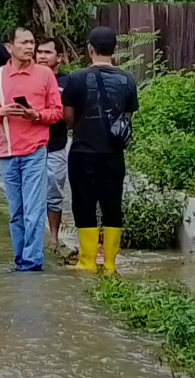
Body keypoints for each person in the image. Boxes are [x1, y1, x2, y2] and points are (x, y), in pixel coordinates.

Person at [0, 27, 63, 272]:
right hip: (7, 152)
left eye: (32, 43)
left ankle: (31, 263)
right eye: (24, 43)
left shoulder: (45, 75)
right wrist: (1, 112)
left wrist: (34, 114)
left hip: (35, 150)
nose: (30, 47)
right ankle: (20, 260)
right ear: (9, 47)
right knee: (16, 211)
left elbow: (56, 112)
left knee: (34, 210)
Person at [62, 27, 139, 274]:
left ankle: (86, 262)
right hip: (114, 154)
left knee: (84, 205)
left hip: (83, 151)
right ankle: (109, 264)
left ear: (90, 49)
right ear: (114, 50)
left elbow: (68, 117)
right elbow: (126, 119)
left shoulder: (76, 78)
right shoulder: (128, 80)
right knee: (112, 206)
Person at [35, 38, 71, 250]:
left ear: (59, 57)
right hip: (31, 146)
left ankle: (54, 237)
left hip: (56, 145)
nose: (41, 56)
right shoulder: (29, 77)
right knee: (31, 193)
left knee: (54, 193)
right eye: (39, 52)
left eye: (47, 52)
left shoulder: (68, 82)